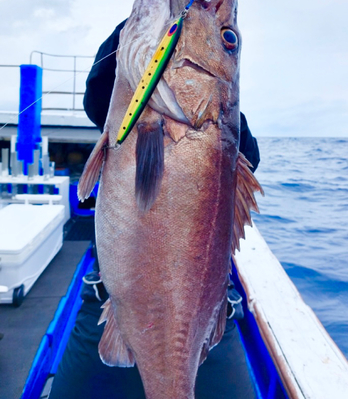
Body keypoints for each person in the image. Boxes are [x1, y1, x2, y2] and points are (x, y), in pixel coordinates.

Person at [49, 20, 260, 399]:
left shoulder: (222, 125)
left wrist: (216, 105)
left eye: (228, 41)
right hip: (108, 307)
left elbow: (247, 158)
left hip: (206, 320)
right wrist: (135, 29)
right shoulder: (123, 104)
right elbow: (97, 94)